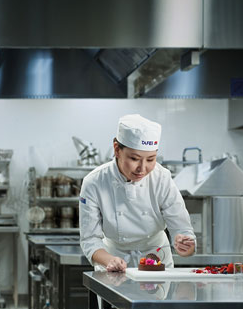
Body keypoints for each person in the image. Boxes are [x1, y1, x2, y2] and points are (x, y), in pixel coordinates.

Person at [79, 114, 196, 271]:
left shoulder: (162, 178)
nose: (142, 168)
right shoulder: (94, 182)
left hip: (156, 258)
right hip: (112, 259)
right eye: (134, 158)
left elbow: (181, 228)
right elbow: (90, 238)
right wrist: (110, 260)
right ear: (117, 150)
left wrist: (185, 244)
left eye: (150, 159)